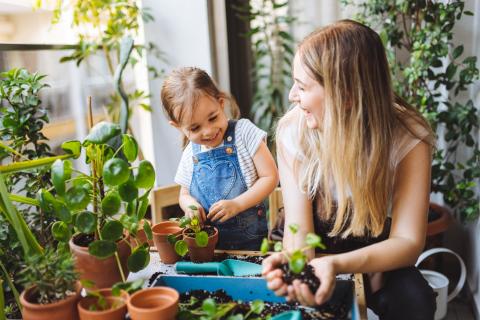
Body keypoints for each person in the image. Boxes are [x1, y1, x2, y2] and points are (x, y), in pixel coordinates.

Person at [262, 20, 437, 319]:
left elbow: (408, 242)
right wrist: (300, 270)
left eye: (302, 87)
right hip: (313, 238)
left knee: (416, 301)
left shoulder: (409, 137)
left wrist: (339, 265)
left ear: (346, 96)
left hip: (374, 243)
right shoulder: (294, 131)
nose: (292, 95)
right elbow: (300, 231)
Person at [161, 67, 279, 250]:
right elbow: (184, 195)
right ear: (178, 127)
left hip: (250, 247)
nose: (208, 131)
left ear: (221, 103)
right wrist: (191, 206)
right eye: (195, 128)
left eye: (213, 118)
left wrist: (237, 204)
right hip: (210, 250)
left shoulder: (244, 133)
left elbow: (270, 177)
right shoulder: (190, 153)